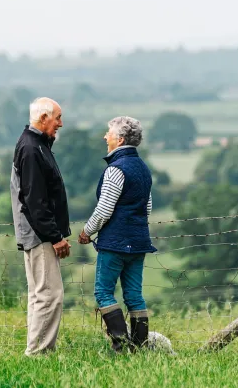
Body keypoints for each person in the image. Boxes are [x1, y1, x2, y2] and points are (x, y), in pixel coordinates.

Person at [78, 116, 156, 352]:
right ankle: (139, 347)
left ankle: (120, 345)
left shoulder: (115, 169)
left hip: (115, 243)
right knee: (134, 295)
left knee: (103, 292)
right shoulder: (144, 169)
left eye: (108, 133)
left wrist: (86, 231)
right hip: (139, 241)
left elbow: (104, 210)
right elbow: (148, 207)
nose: (105, 136)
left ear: (120, 139)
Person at [10, 97, 72, 356]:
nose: (60, 123)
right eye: (57, 117)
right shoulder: (32, 149)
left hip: (36, 231)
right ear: (44, 118)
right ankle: (39, 354)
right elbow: (35, 200)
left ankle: (35, 350)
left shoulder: (36, 144)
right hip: (39, 233)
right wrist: (54, 236)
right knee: (50, 294)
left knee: (39, 294)